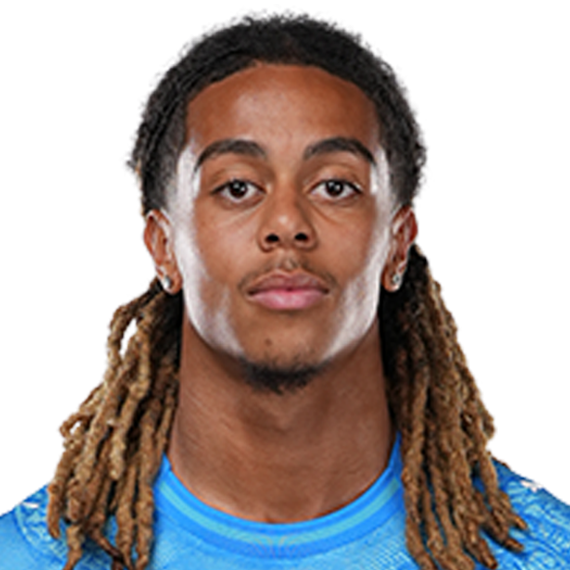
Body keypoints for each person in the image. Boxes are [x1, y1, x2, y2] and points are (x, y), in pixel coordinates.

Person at [1, 7, 569, 570]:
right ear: (163, 246)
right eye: (238, 187)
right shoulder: (28, 557)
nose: (287, 223)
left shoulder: (541, 552)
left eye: (335, 186)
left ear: (398, 244)